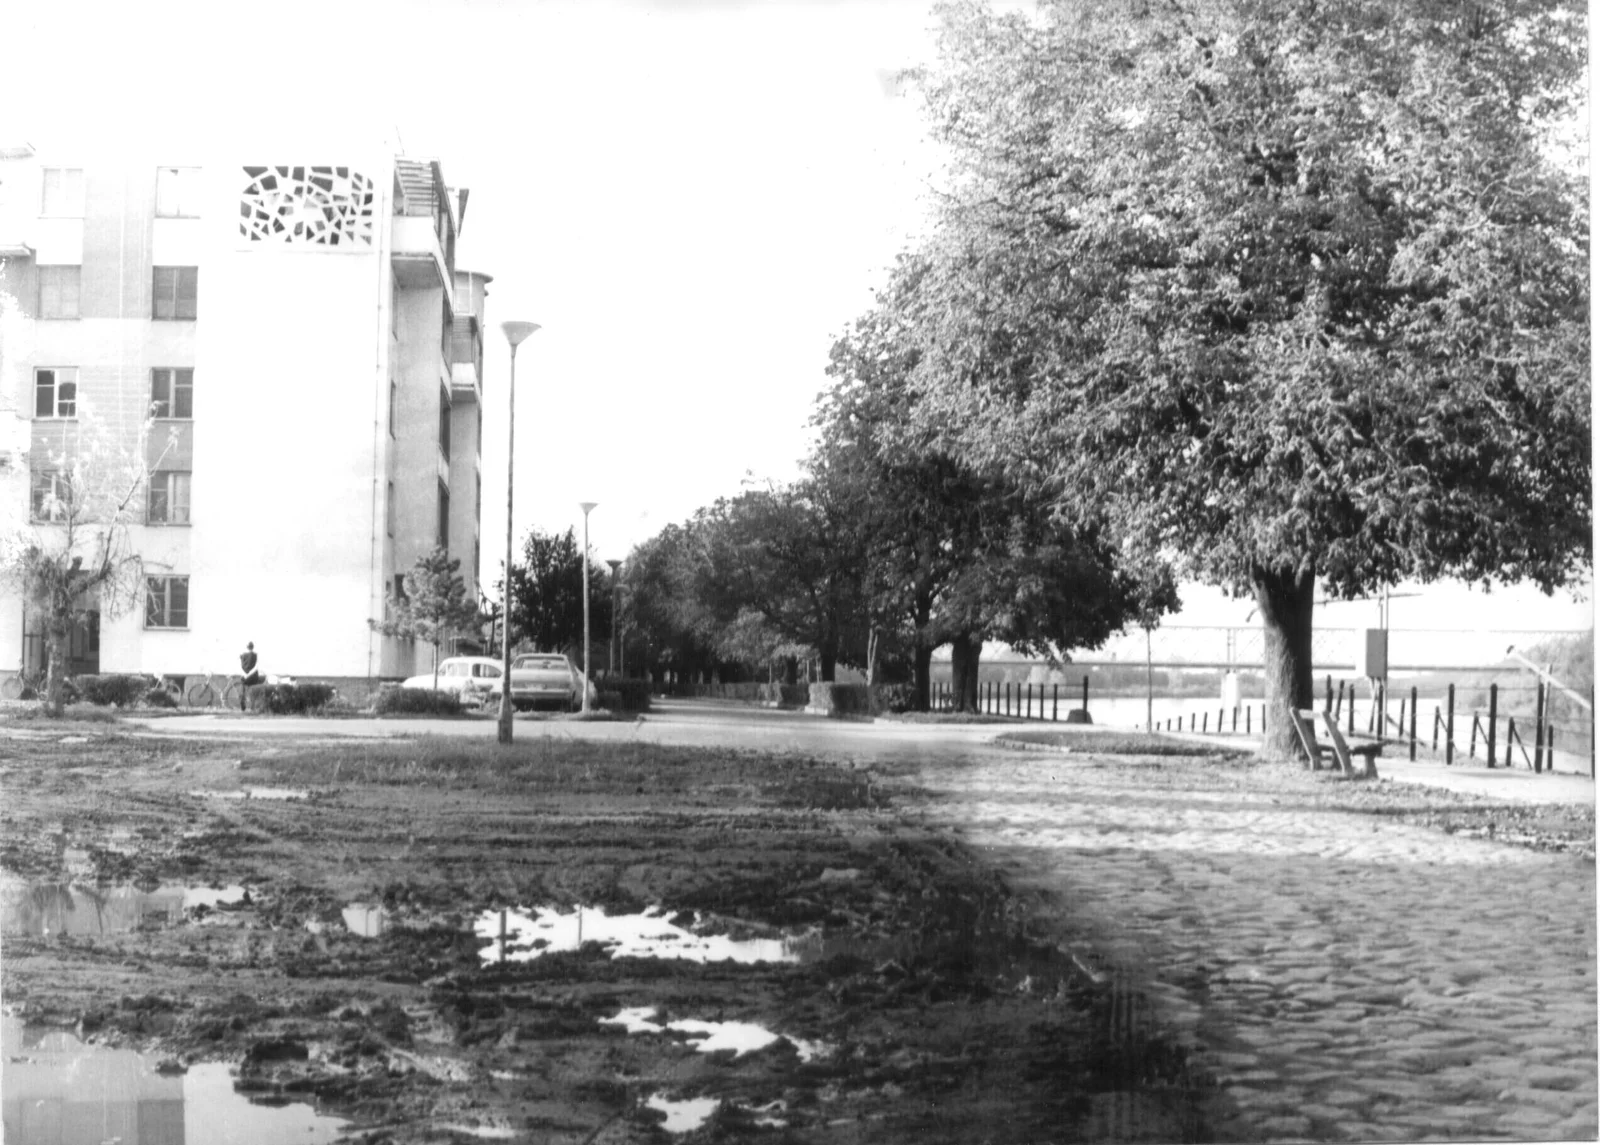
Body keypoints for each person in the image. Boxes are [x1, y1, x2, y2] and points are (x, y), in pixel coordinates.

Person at [239, 641, 263, 712]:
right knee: (254, 690)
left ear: (247, 647)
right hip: (253, 677)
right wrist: (250, 674)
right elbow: (256, 666)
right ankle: (253, 707)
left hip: (244, 676)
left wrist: (245, 674)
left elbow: (241, 666)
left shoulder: (242, 655)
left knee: (243, 689)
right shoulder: (255, 655)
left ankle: (242, 701)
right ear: (253, 647)